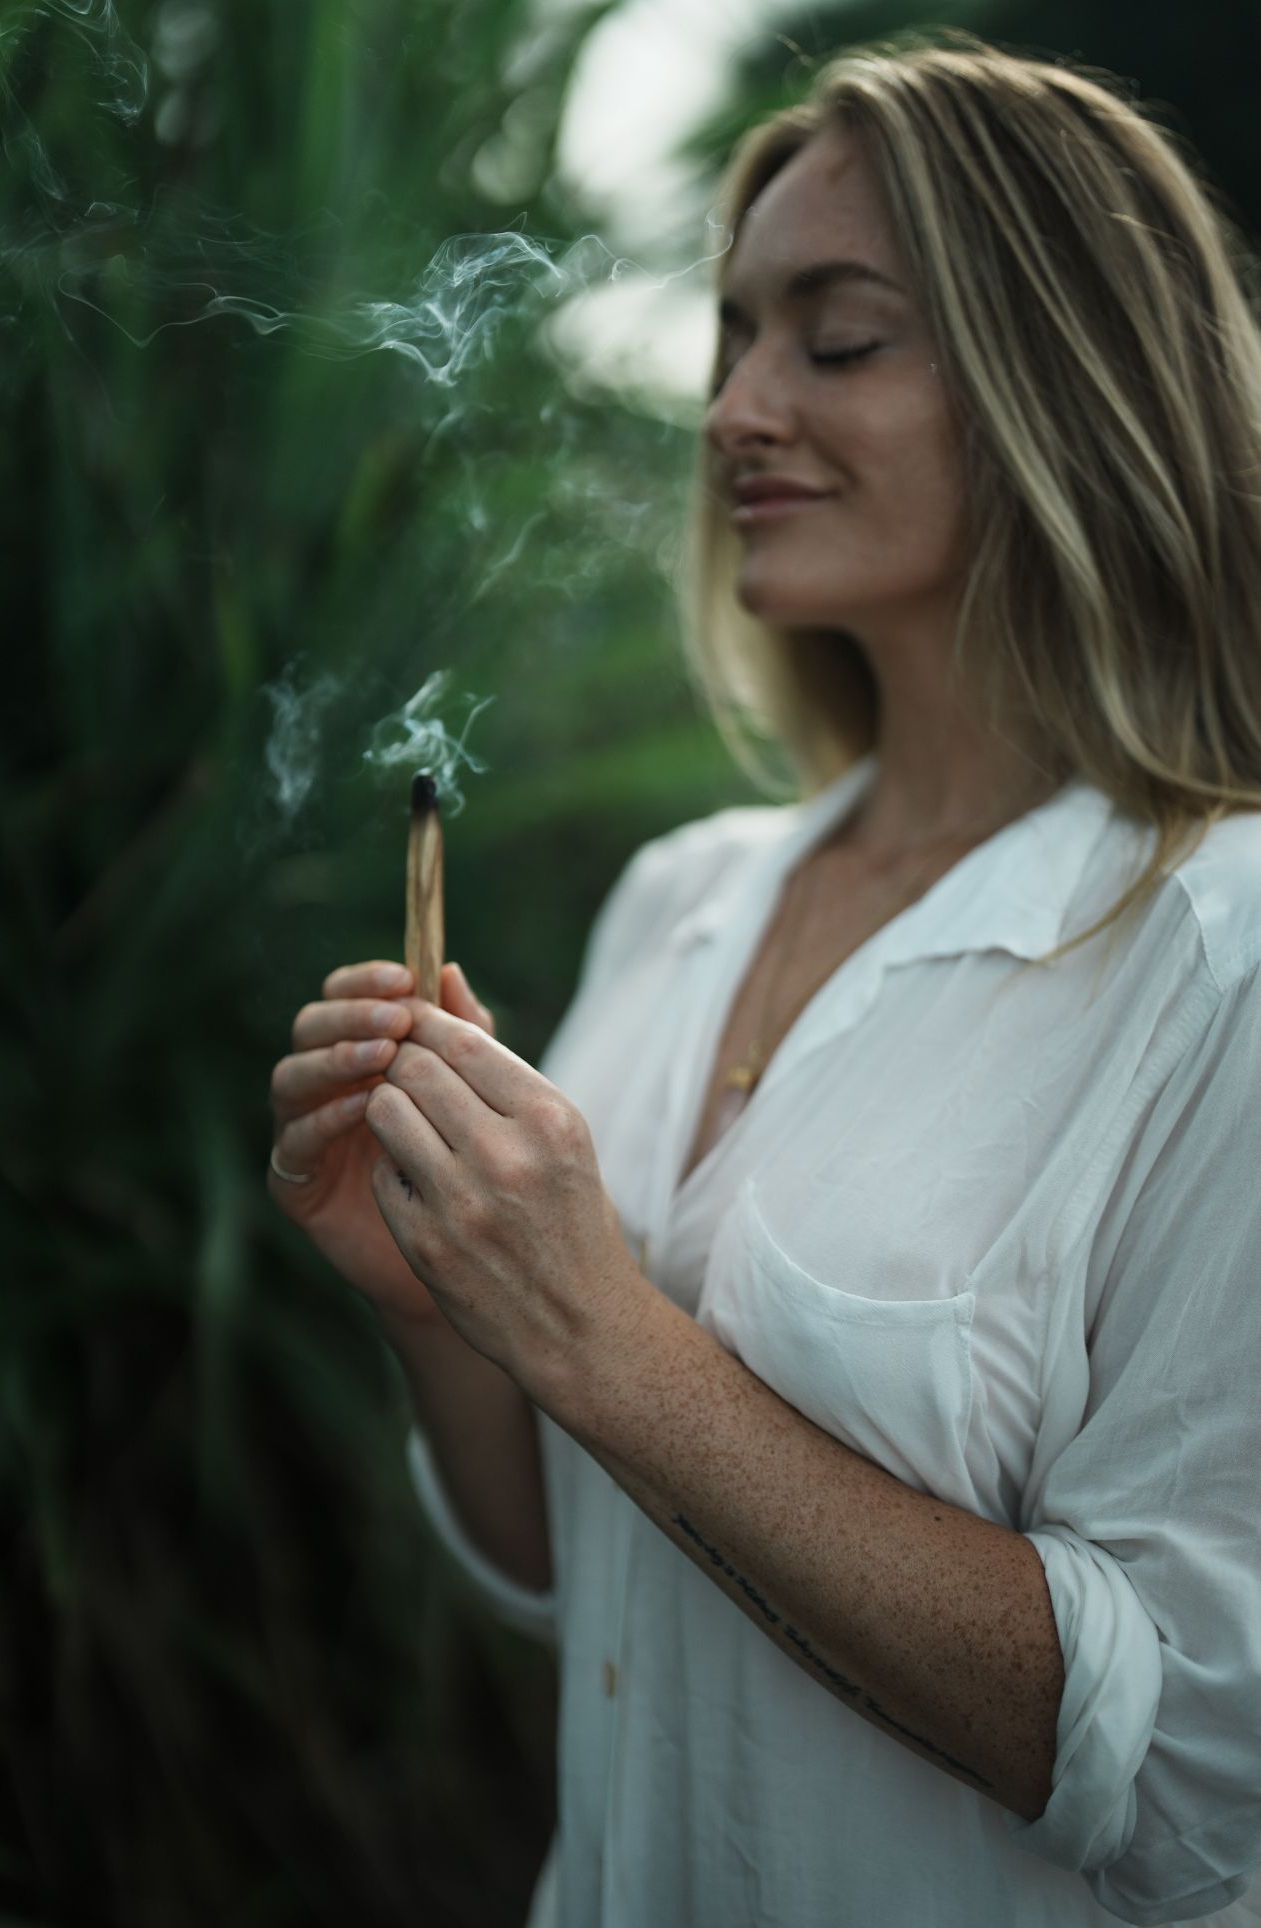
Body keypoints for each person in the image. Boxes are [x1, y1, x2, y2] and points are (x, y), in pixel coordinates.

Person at [267, 32, 1261, 1928]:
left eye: (838, 335)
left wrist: (599, 1337)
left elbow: (1196, 1768)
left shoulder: (1215, 951)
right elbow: (579, 1580)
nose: (735, 407)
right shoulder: (684, 895)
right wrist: (442, 1309)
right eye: (731, 337)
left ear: (1063, 374)